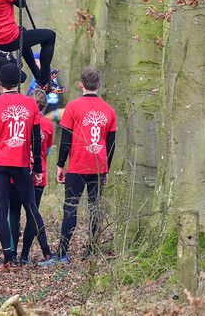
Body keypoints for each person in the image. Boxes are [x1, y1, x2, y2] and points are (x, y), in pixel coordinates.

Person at [39, 66, 116, 267]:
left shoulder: (72, 107)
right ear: (99, 85)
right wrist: (106, 168)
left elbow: (65, 139)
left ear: (81, 84)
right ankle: (91, 251)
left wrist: (59, 164)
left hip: (77, 166)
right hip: (99, 167)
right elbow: (111, 145)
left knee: (70, 208)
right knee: (95, 209)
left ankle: (62, 253)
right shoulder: (109, 110)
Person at [0, 63, 51, 267]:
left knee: (1, 210)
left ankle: (9, 257)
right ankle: (46, 252)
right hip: (21, 164)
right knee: (31, 208)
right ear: (19, 82)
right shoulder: (30, 104)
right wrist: (37, 167)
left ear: (0, 83)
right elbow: (36, 139)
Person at [8, 88, 54, 265]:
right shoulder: (48, 125)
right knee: (32, 212)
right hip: (38, 173)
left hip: (18, 169)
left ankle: (12, 252)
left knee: (14, 212)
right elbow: (47, 149)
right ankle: (25, 254)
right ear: (45, 106)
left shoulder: (21, 120)